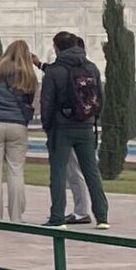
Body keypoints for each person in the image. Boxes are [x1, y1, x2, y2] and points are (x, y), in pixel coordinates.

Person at [40, 32, 109, 229]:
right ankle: (102, 217)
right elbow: (100, 98)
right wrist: (92, 118)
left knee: (59, 173)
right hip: (86, 126)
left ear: (57, 47)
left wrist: (48, 127)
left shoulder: (55, 71)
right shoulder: (91, 67)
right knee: (91, 172)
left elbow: (47, 102)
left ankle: (57, 218)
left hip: (61, 127)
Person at [0, 41, 38, 223]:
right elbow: (31, 98)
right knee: (16, 171)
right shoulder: (27, 74)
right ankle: (16, 217)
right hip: (17, 123)